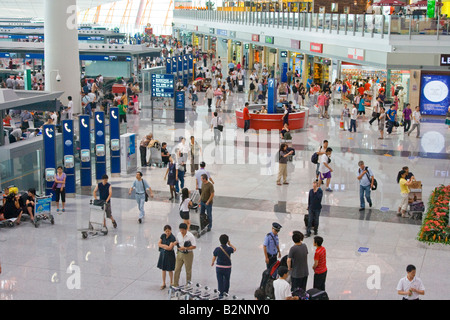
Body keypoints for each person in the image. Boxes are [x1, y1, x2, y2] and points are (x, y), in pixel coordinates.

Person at [211, 234, 237, 298]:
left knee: (220, 281)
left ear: (219, 240)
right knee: (227, 280)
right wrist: (230, 244)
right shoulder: (229, 249)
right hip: (227, 268)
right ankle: (226, 292)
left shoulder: (217, 249)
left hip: (219, 267)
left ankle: (220, 294)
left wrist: (212, 262)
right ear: (227, 241)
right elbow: (235, 249)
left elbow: (214, 256)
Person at [173, 223, 197, 287]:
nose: (181, 231)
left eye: (183, 230)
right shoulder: (178, 234)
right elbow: (177, 241)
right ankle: (175, 284)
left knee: (188, 270)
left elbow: (194, 246)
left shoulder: (190, 236)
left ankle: (188, 285)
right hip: (180, 253)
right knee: (177, 269)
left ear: (186, 229)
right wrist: (175, 243)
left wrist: (186, 248)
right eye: (180, 230)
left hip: (188, 254)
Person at [157, 225, 177, 290]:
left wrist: (163, 246)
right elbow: (159, 244)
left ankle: (171, 282)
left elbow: (170, 248)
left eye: (168, 231)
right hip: (163, 254)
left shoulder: (172, 237)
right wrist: (165, 245)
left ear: (171, 230)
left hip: (169, 255)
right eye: (166, 231)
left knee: (170, 269)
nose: (167, 232)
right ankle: (163, 283)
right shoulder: (163, 236)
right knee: (163, 269)